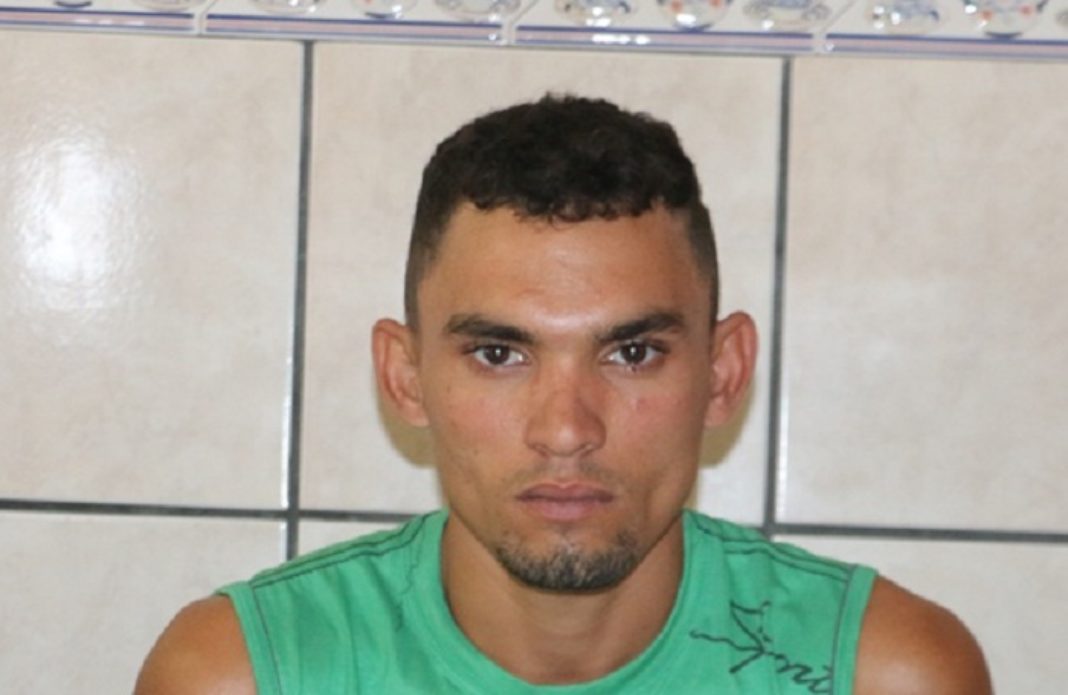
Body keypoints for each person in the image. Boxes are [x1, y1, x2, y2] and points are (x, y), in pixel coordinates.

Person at [136, 94, 991, 694]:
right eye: (500, 353)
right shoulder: (244, 675)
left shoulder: (884, 675)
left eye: (633, 352)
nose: (567, 429)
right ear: (405, 376)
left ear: (723, 372)